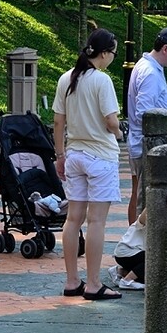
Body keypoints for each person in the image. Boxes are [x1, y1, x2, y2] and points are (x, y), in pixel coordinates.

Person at [52, 28, 125, 301]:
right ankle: (93, 283)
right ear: (104, 53)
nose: (112, 59)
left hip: (74, 155)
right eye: (113, 54)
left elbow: (59, 122)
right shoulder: (101, 81)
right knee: (97, 221)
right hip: (101, 157)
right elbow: (111, 121)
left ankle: (72, 281)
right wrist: (118, 132)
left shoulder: (66, 79)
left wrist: (60, 155)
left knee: (73, 219)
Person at [126, 27, 167, 224]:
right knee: (146, 203)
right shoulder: (150, 73)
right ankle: (141, 250)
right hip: (149, 147)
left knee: (144, 199)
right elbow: (145, 114)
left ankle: (141, 248)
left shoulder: (150, 67)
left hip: (146, 145)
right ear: (166, 48)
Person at [107, 209, 147, 291]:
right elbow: (142, 218)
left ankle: (120, 271)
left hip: (126, 253)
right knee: (152, 258)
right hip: (128, 253)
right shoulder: (143, 220)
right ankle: (127, 280)